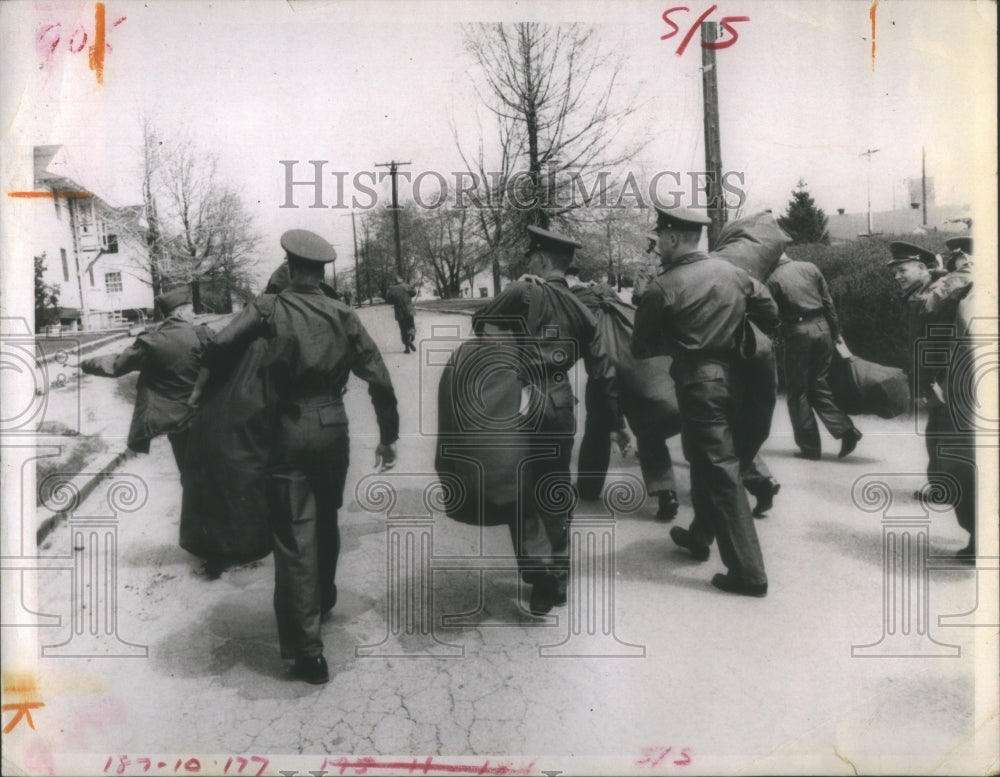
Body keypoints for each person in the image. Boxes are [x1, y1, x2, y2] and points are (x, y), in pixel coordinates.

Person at [199, 229, 400, 683]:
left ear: (289, 268)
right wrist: (389, 436)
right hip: (333, 429)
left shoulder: (268, 308)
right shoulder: (343, 313)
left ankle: (307, 651)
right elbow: (380, 379)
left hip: (287, 426)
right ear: (323, 271)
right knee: (325, 517)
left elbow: (218, 345)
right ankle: (323, 597)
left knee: (294, 535)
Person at [633, 205, 780, 597]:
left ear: (673, 239)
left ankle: (749, 573)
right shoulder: (734, 273)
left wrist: (683, 340)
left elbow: (641, 346)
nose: (657, 248)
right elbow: (771, 311)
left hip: (700, 384)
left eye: (660, 240)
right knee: (703, 458)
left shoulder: (663, 287)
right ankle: (699, 535)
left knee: (719, 470)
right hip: (742, 380)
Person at [471, 225, 619, 615]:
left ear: (539, 259)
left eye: (529, 259)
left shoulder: (524, 291)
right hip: (560, 403)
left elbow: (480, 322)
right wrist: (615, 422)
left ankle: (541, 577)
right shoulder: (583, 309)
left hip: (521, 402)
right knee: (554, 491)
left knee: (520, 490)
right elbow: (604, 373)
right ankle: (560, 576)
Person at [887, 240, 975, 560]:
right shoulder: (923, 292)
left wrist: (962, 267)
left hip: (952, 383)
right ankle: (943, 490)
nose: (896, 276)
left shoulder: (937, 291)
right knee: (939, 444)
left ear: (923, 268)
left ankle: (979, 534)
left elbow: (939, 303)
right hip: (939, 383)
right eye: (895, 271)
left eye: (902, 270)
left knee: (957, 458)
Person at [80, 286, 209, 471]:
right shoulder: (203, 335)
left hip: (176, 422)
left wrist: (83, 363)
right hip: (205, 416)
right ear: (180, 312)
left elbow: (116, 365)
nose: (195, 315)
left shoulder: (151, 341)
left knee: (188, 473)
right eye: (192, 311)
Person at [766, 252, 863, 459]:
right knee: (819, 384)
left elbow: (769, 314)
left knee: (797, 391)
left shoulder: (772, 279)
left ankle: (810, 448)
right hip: (823, 328)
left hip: (798, 333)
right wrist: (836, 333)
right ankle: (847, 431)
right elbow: (828, 302)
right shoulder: (810, 267)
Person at [563, 265, 634, 503]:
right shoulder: (604, 292)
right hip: (628, 363)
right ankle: (666, 492)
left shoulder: (573, 300)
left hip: (602, 368)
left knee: (596, 429)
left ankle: (588, 488)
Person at [385, 276, 417, 353]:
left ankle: (407, 348)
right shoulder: (406, 286)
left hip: (399, 312)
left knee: (403, 330)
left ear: (395, 281)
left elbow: (388, 301)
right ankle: (410, 339)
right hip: (409, 310)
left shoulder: (391, 289)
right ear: (401, 279)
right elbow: (413, 293)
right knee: (411, 326)